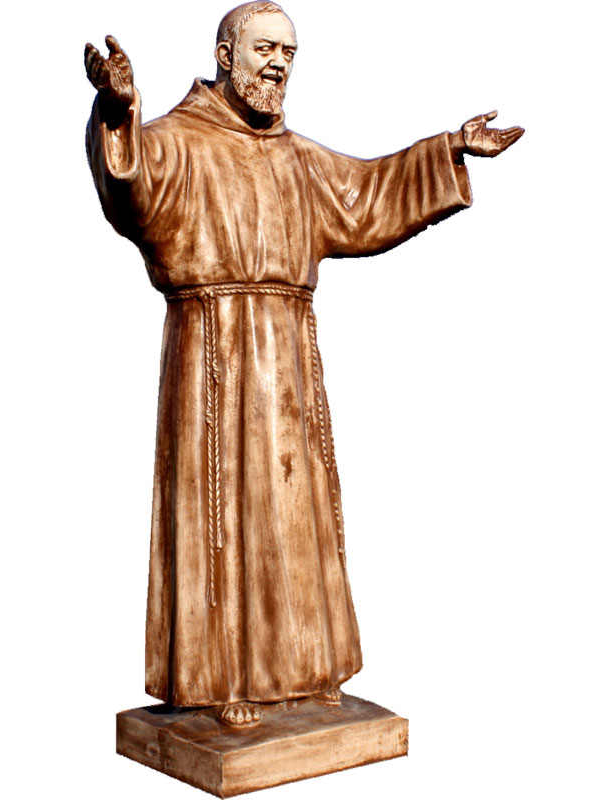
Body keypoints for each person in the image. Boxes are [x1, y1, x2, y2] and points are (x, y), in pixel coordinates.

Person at [84, 1, 522, 728]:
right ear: (225, 54)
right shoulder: (178, 143)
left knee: (296, 513)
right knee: (221, 514)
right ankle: (221, 682)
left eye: (289, 52)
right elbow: (130, 185)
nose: (279, 64)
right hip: (214, 353)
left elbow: (366, 194)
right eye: (265, 49)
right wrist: (116, 108)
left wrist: (452, 147)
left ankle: (305, 670)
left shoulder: (298, 158)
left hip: (287, 351)